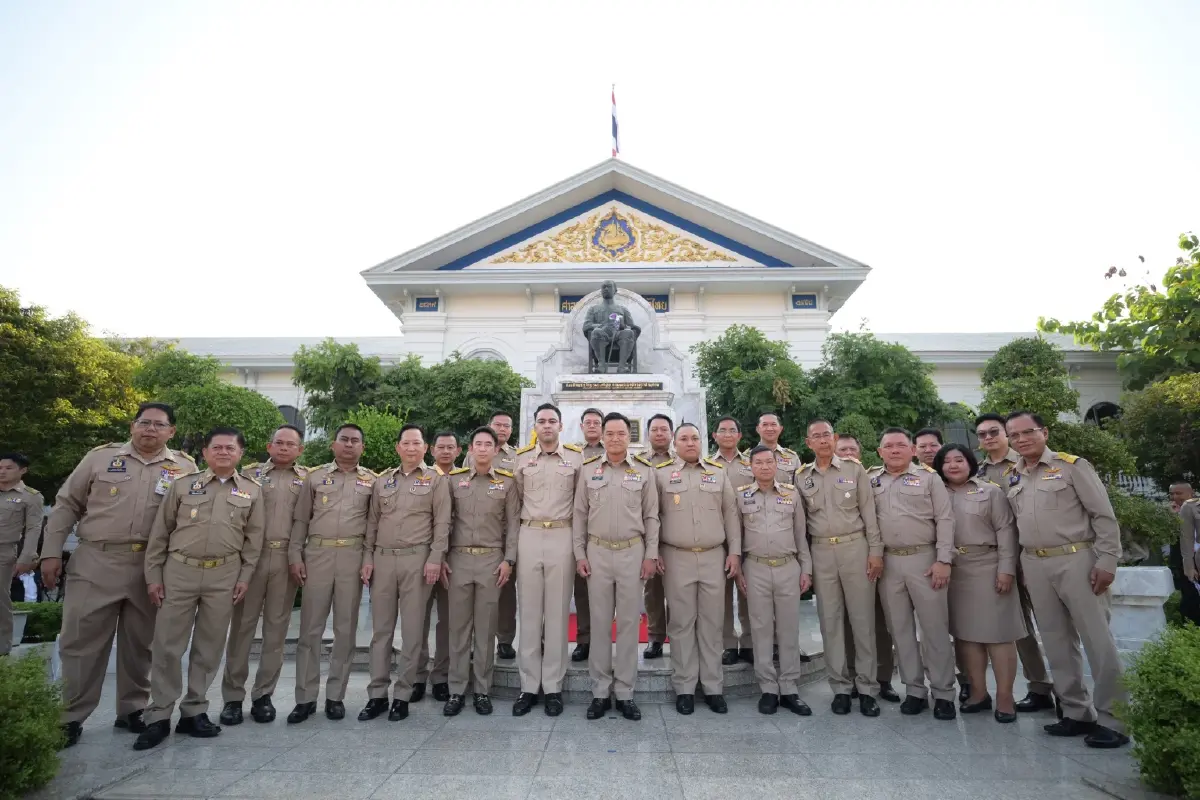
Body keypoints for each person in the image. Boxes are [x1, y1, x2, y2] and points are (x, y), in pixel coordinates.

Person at [42, 402, 197, 747]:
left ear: (171, 431)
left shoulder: (185, 467)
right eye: (144, 422)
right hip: (97, 560)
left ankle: (132, 709)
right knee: (81, 641)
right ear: (132, 426)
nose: (150, 429)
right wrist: (51, 551)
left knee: (141, 643)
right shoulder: (100, 458)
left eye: (159, 425)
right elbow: (67, 504)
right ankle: (70, 716)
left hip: (150, 566)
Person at [134, 427, 265, 750]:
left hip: (224, 573)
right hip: (180, 571)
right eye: (216, 447)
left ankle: (194, 710)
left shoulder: (252, 491)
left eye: (230, 448)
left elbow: (254, 541)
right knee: (167, 645)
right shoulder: (182, 486)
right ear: (205, 453)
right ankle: (159, 714)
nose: (223, 452)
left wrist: (245, 577)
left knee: (209, 646)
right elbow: (160, 534)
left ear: (240, 454)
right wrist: (153, 576)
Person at [1004, 411, 1128, 748]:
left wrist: (1108, 559)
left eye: (1027, 432)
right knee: (1056, 641)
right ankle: (1076, 711)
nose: (1021, 439)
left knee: (1098, 641)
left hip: (1077, 559)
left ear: (1043, 432)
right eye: (1014, 435)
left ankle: (1114, 719)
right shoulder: (1013, 476)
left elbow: (1103, 516)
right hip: (1035, 563)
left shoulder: (1072, 466)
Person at [358, 424, 450, 723]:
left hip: (417, 560)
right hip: (383, 560)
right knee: (381, 633)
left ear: (425, 448)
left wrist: (435, 558)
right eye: (406, 443)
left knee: (412, 632)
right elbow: (372, 522)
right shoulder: (383, 480)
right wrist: (368, 557)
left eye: (416, 443)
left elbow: (442, 524)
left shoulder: (436, 480)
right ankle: (377, 694)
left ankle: (403, 694)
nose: (411, 448)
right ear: (398, 447)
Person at [219, 425, 308, 725]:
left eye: (290, 444)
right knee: (241, 629)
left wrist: (297, 556)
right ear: (269, 446)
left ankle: (263, 696)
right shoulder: (249, 475)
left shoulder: (307, 480)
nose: (284, 448)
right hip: (251, 559)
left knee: (276, 631)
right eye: (278, 443)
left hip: (286, 559)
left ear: (300, 450)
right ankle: (233, 697)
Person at [574, 412, 660, 721]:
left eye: (620, 433)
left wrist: (651, 554)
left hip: (632, 553)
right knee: (599, 624)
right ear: (602, 437)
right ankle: (599, 692)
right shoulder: (588, 470)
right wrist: (580, 554)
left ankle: (625, 692)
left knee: (627, 624)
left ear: (629, 437)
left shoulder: (644, 471)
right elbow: (579, 515)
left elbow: (651, 516)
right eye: (609, 433)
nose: (614, 438)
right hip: (597, 552)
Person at [794, 421, 883, 717]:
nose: (822, 440)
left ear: (834, 438)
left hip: (855, 547)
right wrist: (805, 564)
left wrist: (875, 551)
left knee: (862, 620)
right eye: (816, 436)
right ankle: (840, 688)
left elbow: (869, 512)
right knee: (829, 621)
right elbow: (801, 526)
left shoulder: (853, 469)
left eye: (826, 435)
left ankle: (867, 688)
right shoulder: (802, 476)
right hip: (821, 551)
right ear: (808, 442)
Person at [287, 424, 374, 724]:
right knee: (310, 630)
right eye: (344, 440)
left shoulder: (372, 481)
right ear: (333, 445)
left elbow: (373, 526)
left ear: (362, 447)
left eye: (355, 441)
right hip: (318, 555)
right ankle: (305, 698)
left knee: (345, 631)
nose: (349, 445)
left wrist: (368, 558)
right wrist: (295, 555)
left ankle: (335, 696)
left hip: (352, 556)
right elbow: (301, 520)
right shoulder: (314, 478)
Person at [869, 427, 957, 721]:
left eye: (900, 445)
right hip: (889, 563)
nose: (894, 450)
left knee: (934, 629)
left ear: (912, 450)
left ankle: (943, 692)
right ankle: (914, 690)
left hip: (925, 559)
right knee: (900, 630)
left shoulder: (929, 478)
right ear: (880, 452)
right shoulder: (871, 480)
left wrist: (943, 559)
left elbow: (945, 518)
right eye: (888, 446)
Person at [934, 443, 1025, 723]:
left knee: (999, 635)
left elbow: (1006, 530)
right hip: (954, 569)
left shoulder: (990, 492)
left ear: (970, 463)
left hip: (988, 565)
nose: (953, 465)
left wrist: (1006, 569)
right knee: (966, 636)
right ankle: (978, 692)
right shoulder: (934, 492)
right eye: (947, 461)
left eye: (959, 460)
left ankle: (1005, 697)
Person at [655, 423, 740, 714]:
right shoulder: (661, 474)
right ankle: (685, 687)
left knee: (712, 623)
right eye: (684, 439)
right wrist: (655, 551)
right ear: (674, 443)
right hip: (676, 556)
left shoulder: (718, 473)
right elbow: (653, 516)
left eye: (694, 438)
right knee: (681, 623)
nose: (690, 443)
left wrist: (735, 552)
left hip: (713, 556)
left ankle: (713, 686)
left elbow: (731, 515)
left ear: (701, 442)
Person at [974, 412, 1055, 713]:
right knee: (1020, 629)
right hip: (1001, 562)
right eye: (982, 434)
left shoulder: (1026, 462)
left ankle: (1069, 693)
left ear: (1006, 434)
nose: (988, 438)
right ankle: (1039, 686)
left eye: (993, 432)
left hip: (1035, 554)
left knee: (1055, 626)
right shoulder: (977, 473)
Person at [441, 426, 519, 716]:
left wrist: (509, 560)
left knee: (486, 630)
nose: (483, 449)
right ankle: (456, 690)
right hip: (459, 559)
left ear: (496, 450)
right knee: (458, 629)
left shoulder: (507, 483)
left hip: (491, 561)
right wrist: (441, 556)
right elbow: (444, 522)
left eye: (489, 444)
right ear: (470, 449)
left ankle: (482, 690)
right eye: (478, 444)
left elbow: (513, 525)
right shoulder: (454, 481)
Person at [511, 403, 582, 717]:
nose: (547, 425)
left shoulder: (576, 458)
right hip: (529, 533)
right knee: (528, 613)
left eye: (553, 421)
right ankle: (528, 685)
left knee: (557, 614)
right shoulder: (521, 459)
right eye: (542, 421)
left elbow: (581, 506)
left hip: (562, 535)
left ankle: (553, 686)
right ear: (535, 426)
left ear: (561, 426)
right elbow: (515, 503)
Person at [737, 445, 813, 716]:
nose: (765, 467)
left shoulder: (791, 494)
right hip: (755, 567)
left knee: (789, 629)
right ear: (751, 467)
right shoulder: (741, 496)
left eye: (769, 462)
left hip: (787, 566)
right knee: (761, 629)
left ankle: (790, 687)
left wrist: (806, 569)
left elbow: (801, 534)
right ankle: (768, 688)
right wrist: (739, 572)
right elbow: (736, 536)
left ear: (776, 464)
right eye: (759, 463)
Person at [835, 434, 899, 702]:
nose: (848, 453)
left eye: (852, 449)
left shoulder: (873, 477)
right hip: (850, 554)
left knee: (877, 620)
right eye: (842, 450)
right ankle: (853, 675)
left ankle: (882, 677)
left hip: (880, 555)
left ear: (861, 453)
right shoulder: (832, 478)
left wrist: (876, 552)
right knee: (848, 621)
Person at [463, 412, 520, 660]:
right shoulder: (473, 453)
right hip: (479, 530)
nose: (503, 429)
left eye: (507, 426)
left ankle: (505, 639)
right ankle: (473, 641)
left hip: (506, 533)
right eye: (498, 424)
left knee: (505, 591)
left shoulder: (517, 457)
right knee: (473, 593)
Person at [415, 430, 458, 703]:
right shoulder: (422, 477)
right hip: (423, 558)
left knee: (449, 621)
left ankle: (441, 675)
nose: (445, 451)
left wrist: (445, 556)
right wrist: (433, 556)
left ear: (458, 451)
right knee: (417, 619)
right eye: (441, 447)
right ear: (432, 450)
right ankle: (417, 675)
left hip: (454, 560)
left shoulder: (464, 479)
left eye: (450, 447)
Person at [710, 416, 753, 665]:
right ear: (714, 435)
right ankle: (728, 642)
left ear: (739, 436)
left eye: (732, 430)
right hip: (719, 537)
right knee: (722, 594)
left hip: (750, 534)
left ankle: (749, 641)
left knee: (748, 590)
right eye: (722, 430)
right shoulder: (707, 465)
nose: (727, 434)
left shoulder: (751, 464)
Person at [570, 408, 605, 664]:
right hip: (577, 526)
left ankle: (603, 640)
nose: (592, 426)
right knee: (582, 587)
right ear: (581, 426)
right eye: (588, 422)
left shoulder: (613, 451)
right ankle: (584, 639)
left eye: (597, 422)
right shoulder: (572, 455)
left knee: (606, 592)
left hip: (602, 527)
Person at [0, 452, 43, 656]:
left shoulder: (31, 497)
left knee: (0, 598)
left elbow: (34, 528)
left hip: (4, 551)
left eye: (8, 468)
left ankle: (2, 647)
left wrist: (27, 557)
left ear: (23, 470)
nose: (2, 472)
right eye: (0, 468)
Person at [642, 412, 674, 660]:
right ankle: (655, 638)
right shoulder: (639, 463)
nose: (660, 434)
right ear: (648, 433)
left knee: (678, 591)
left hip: (676, 535)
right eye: (655, 430)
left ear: (671, 434)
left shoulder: (682, 460)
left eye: (664, 429)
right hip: (648, 536)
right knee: (652, 592)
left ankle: (678, 636)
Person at [1169, 482, 1200, 625]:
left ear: (1190, 493)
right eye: (1172, 494)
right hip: (1184, 567)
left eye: (1179, 493)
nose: (1175, 497)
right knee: (1189, 602)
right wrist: (1174, 519)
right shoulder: (1171, 515)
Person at [753, 412, 800, 484]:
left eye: (773, 424)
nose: (769, 429)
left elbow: (799, 486)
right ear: (757, 429)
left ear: (780, 429)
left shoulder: (792, 457)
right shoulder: (746, 458)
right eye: (765, 425)